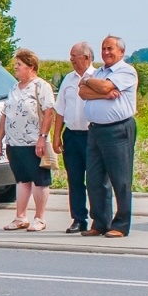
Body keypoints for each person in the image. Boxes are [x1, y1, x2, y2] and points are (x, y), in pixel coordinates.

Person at [79, 35, 139, 238]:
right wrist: (102, 92)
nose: (106, 52)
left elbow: (103, 86)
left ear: (121, 52)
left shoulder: (126, 71)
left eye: (110, 49)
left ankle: (121, 224)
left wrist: (94, 84)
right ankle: (100, 222)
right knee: (95, 179)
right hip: (95, 130)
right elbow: (82, 92)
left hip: (118, 130)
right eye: (103, 48)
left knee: (120, 179)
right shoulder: (99, 72)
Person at [0, 49, 56, 231]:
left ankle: (40, 218)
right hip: (15, 142)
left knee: (39, 179)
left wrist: (42, 138)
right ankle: (20, 216)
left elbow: (48, 113)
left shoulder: (40, 86)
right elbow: (5, 114)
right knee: (21, 179)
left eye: (19, 65)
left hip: (33, 141)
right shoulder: (14, 88)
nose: (16, 68)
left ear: (31, 67)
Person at [52, 42, 96, 234]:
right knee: (75, 179)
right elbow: (60, 110)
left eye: (74, 56)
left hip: (92, 135)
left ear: (86, 58)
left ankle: (99, 218)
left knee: (95, 179)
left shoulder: (98, 77)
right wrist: (56, 136)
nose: (71, 59)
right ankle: (79, 219)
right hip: (72, 135)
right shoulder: (68, 80)